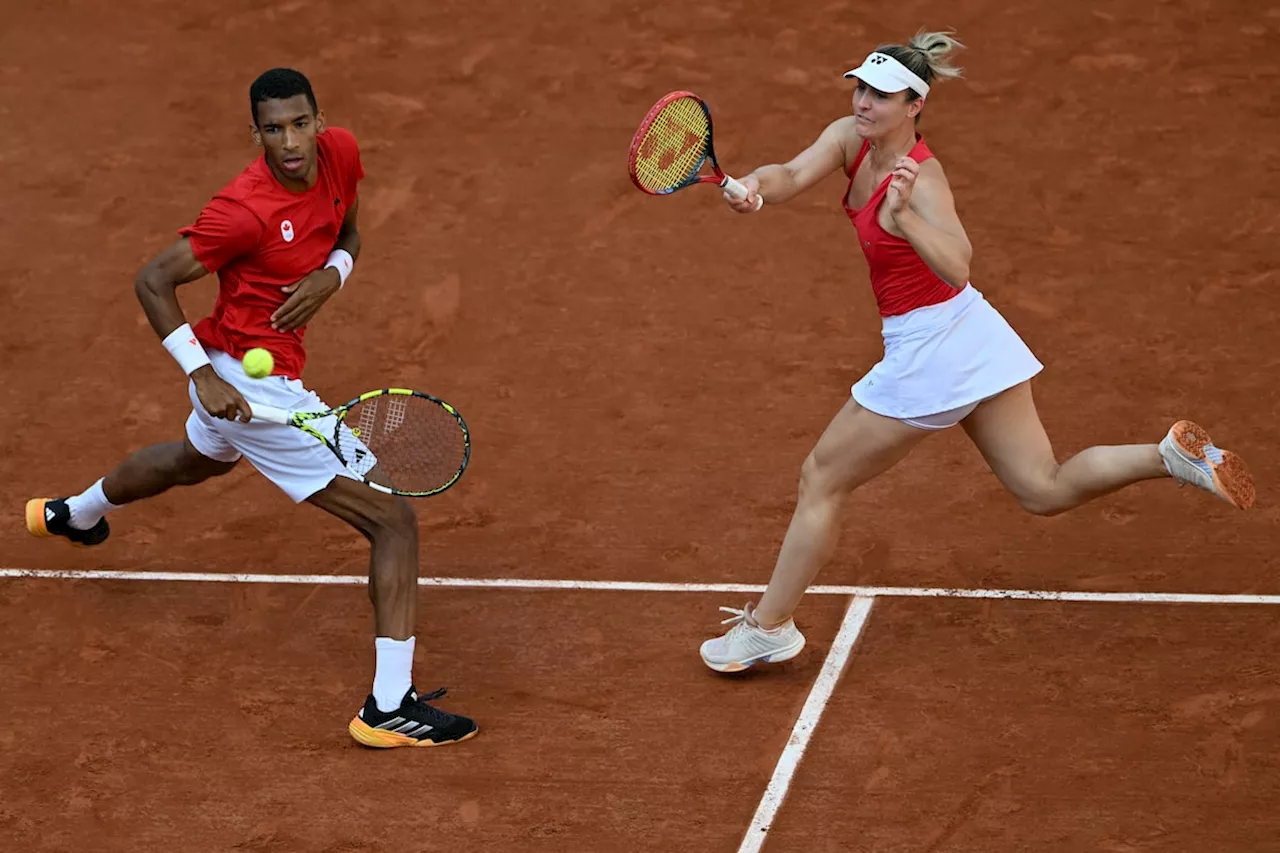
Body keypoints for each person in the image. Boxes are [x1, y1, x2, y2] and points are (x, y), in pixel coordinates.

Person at [698, 32, 1257, 673]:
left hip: (933, 346)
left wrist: (904, 219)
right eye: (860, 88)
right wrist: (753, 187)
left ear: (914, 106)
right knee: (1041, 488)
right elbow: (792, 172)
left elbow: (958, 266)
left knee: (821, 477)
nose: (863, 102)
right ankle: (1167, 457)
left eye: (880, 95)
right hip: (972, 337)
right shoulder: (851, 138)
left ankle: (769, 626)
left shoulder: (925, 181)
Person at [24, 68, 478, 747]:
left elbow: (348, 234)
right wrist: (201, 374)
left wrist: (332, 275)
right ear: (256, 132)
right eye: (273, 128)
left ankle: (72, 513)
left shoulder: (342, 155)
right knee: (393, 521)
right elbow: (152, 281)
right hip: (251, 386)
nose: (289, 141)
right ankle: (390, 705)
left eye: (299, 123)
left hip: (253, 378)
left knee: (195, 461)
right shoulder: (242, 210)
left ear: (320, 121)